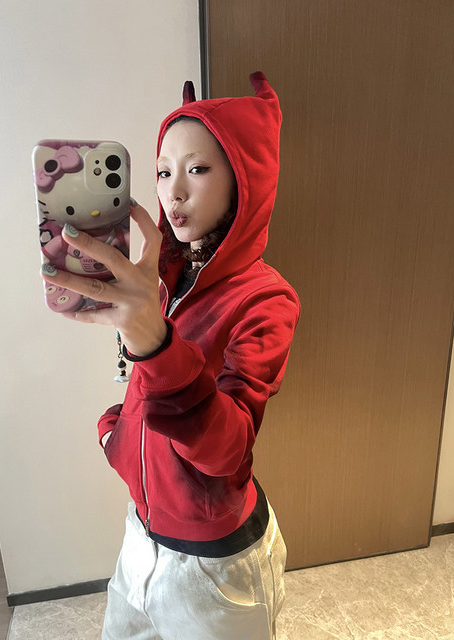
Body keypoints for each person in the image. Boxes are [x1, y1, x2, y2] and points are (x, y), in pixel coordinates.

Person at [42, 71, 300, 640]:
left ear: (247, 181)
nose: (173, 192)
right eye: (163, 171)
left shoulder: (266, 300)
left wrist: (155, 342)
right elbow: (144, 387)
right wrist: (117, 433)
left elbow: (228, 449)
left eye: (198, 169)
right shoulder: (161, 281)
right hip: (140, 537)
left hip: (217, 567)